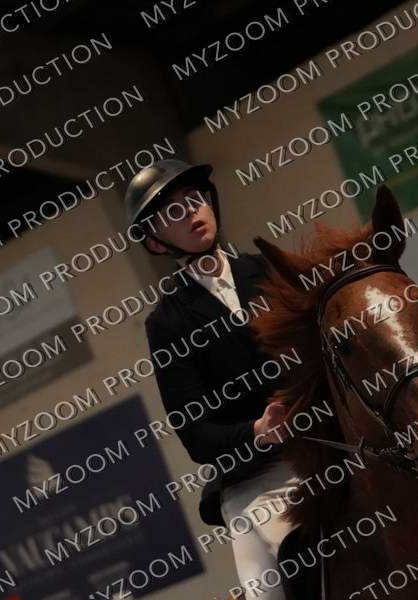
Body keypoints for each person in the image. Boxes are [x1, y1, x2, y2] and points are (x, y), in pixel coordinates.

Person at [125, 159, 299, 599]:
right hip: (260, 479)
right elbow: (196, 435)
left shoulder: (269, 270)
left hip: (331, 445)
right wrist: (258, 431)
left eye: (195, 199)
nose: (191, 212)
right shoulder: (167, 323)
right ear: (155, 240)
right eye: (173, 211)